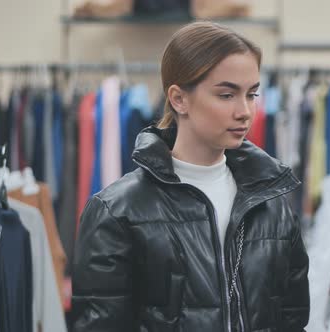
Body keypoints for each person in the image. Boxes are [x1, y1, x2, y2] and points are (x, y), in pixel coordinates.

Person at [71, 21, 309, 332]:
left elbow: (292, 320)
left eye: (251, 94)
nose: (245, 111)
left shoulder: (272, 203)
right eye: (226, 95)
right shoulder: (117, 211)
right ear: (179, 99)